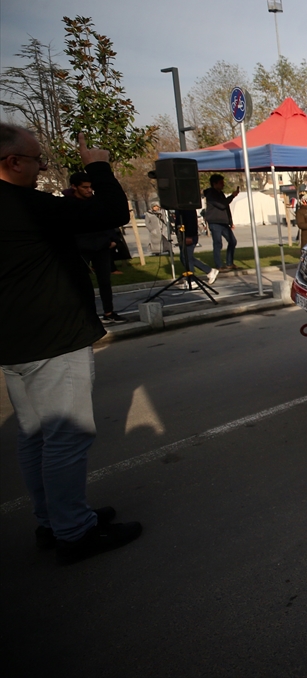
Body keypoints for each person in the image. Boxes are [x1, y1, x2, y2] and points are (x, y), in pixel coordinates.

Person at [0, 125, 143, 564]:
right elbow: (113, 210)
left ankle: (54, 520)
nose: (44, 166)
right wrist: (97, 164)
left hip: (15, 341)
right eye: (37, 158)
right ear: (13, 162)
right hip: (52, 338)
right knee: (65, 437)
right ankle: (74, 533)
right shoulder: (24, 206)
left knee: (35, 437)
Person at [69, 172, 124, 324]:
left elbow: (106, 220)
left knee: (105, 281)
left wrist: (112, 239)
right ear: (74, 187)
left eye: (90, 187)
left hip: (101, 246)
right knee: (80, 283)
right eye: (84, 187)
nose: (89, 190)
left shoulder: (96, 202)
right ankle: (85, 315)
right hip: (81, 248)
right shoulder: (68, 203)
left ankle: (109, 312)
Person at [203, 174, 238, 272]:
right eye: (221, 183)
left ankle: (229, 263)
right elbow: (222, 205)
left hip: (223, 222)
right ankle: (219, 265)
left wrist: (230, 221)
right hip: (215, 222)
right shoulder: (211, 194)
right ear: (214, 184)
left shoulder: (220, 193)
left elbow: (226, 207)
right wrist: (232, 196)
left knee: (232, 241)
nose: (223, 185)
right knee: (218, 243)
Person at [177, 207, 218, 284]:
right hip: (182, 236)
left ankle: (192, 279)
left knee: (187, 258)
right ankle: (209, 271)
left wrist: (189, 236)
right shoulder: (178, 208)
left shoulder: (187, 208)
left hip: (189, 236)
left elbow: (191, 222)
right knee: (185, 257)